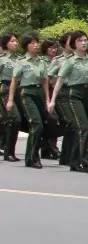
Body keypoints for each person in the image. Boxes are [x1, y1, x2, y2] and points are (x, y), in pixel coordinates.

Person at [48, 31, 88, 172]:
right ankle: (78, 160)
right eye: (80, 41)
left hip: (86, 93)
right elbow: (59, 81)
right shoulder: (69, 61)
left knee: (86, 127)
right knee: (82, 127)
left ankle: (82, 159)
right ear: (74, 44)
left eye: (85, 40)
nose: (83, 43)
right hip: (73, 93)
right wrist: (52, 100)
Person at [6, 34, 45, 167]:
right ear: (27, 46)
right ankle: (32, 157)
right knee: (36, 124)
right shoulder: (22, 62)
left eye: (37, 43)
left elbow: (45, 81)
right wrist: (10, 100)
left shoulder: (41, 61)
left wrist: (48, 99)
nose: (36, 45)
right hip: (27, 93)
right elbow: (14, 81)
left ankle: (33, 156)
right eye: (33, 43)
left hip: (39, 93)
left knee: (41, 125)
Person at [39, 39, 62, 162]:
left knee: (54, 120)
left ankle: (48, 147)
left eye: (55, 48)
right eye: (50, 48)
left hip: (55, 92)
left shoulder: (58, 61)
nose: (53, 50)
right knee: (50, 119)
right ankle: (50, 147)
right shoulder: (41, 61)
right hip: (43, 92)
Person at [0, 33, 20, 161]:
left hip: (19, 90)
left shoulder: (19, 59)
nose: (16, 43)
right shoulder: (2, 60)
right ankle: (8, 151)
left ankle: (10, 151)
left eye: (16, 41)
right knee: (15, 118)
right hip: (6, 89)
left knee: (15, 121)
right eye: (12, 41)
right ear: (6, 44)